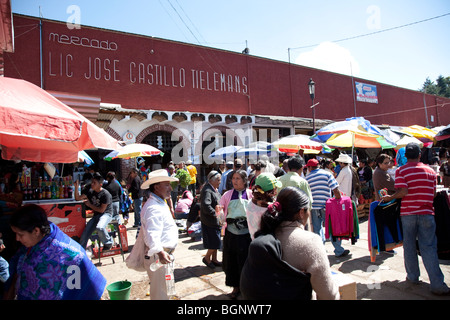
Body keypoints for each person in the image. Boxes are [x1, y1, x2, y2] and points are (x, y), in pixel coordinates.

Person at [241, 187, 340, 300]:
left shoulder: (266, 231)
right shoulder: (311, 242)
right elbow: (328, 295)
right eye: (308, 209)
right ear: (301, 212)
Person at [382, 143, 450, 295]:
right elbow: (433, 194)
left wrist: (390, 197)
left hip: (408, 214)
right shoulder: (430, 171)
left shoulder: (401, 170)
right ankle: (437, 284)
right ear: (420, 155)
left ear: (405, 156)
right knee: (429, 247)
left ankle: (413, 277)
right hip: (427, 213)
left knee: (410, 246)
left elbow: (403, 191)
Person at [5, 204, 106, 300]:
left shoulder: (71, 255)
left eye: (20, 234)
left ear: (36, 231)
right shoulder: (28, 248)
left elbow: (91, 291)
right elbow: (17, 277)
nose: (17, 238)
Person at [140, 169, 179, 300]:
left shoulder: (159, 202)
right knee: (160, 295)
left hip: (163, 256)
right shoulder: (153, 207)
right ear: (156, 187)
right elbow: (152, 233)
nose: (170, 188)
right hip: (160, 257)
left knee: (165, 292)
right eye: (166, 185)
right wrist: (160, 252)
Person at [305, 159, 349, 257]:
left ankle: (321, 251)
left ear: (310, 167)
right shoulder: (327, 174)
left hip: (314, 207)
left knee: (317, 229)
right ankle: (339, 250)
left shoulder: (307, 178)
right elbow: (335, 189)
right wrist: (339, 200)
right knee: (333, 228)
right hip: (327, 207)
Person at [219, 170, 253, 299]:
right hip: (231, 234)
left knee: (246, 261)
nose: (235, 181)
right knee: (231, 261)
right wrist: (219, 213)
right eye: (233, 178)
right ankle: (235, 287)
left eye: (238, 178)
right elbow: (221, 217)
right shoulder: (226, 195)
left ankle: (246, 287)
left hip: (246, 234)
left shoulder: (250, 195)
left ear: (244, 181)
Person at [75, 172, 114, 251]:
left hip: (106, 214)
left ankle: (108, 242)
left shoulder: (105, 194)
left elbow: (101, 210)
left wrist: (89, 205)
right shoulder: (90, 192)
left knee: (100, 227)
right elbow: (78, 198)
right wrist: (76, 187)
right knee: (85, 234)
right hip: (96, 215)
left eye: (94, 183)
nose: (92, 184)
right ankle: (81, 253)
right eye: (92, 182)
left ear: (100, 184)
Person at [246, 172, 281, 240]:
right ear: (270, 193)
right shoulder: (270, 209)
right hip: (268, 245)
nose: (276, 192)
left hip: (254, 242)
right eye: (275, 189)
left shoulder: (250, 203)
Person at [200, 170, 222, 268]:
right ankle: (207, 258)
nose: (220, 182)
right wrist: (216, 214)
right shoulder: (207, 190)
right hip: (210, 221)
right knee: (215, 242)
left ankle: (214, 259)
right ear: (212, 180)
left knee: (215, 241)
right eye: (218, 180)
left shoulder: (214, 189)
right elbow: (206, 205)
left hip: (215, 220)